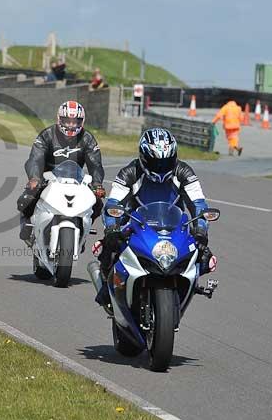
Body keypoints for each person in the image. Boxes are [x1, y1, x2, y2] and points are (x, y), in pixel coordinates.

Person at [92, 128, 216, 309]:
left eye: (166, 162)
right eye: (155, 162)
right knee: (109, 249)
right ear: (143, 157)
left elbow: (199, 204)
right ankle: (108, 290)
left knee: (205, 257)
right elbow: (113, 203)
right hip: (135, 225)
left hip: (174, 225)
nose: (161, 167)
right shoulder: (129, 172)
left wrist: (201, 230)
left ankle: (187, 288)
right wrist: (112, 228)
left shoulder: (184, 172)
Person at [17, 100, 105, 245]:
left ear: (82, 122)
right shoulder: (47, 135)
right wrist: (35, 178)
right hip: (47, 177)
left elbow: (95, 164)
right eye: (67, 121)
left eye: (75, 121)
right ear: (59, 119)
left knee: (97, 204)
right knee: (26, 198)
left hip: (76, 180)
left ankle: (83, 229)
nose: (71, 125)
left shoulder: (88, 139)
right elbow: (35, 158)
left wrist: (97, 184)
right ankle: (27, 225)